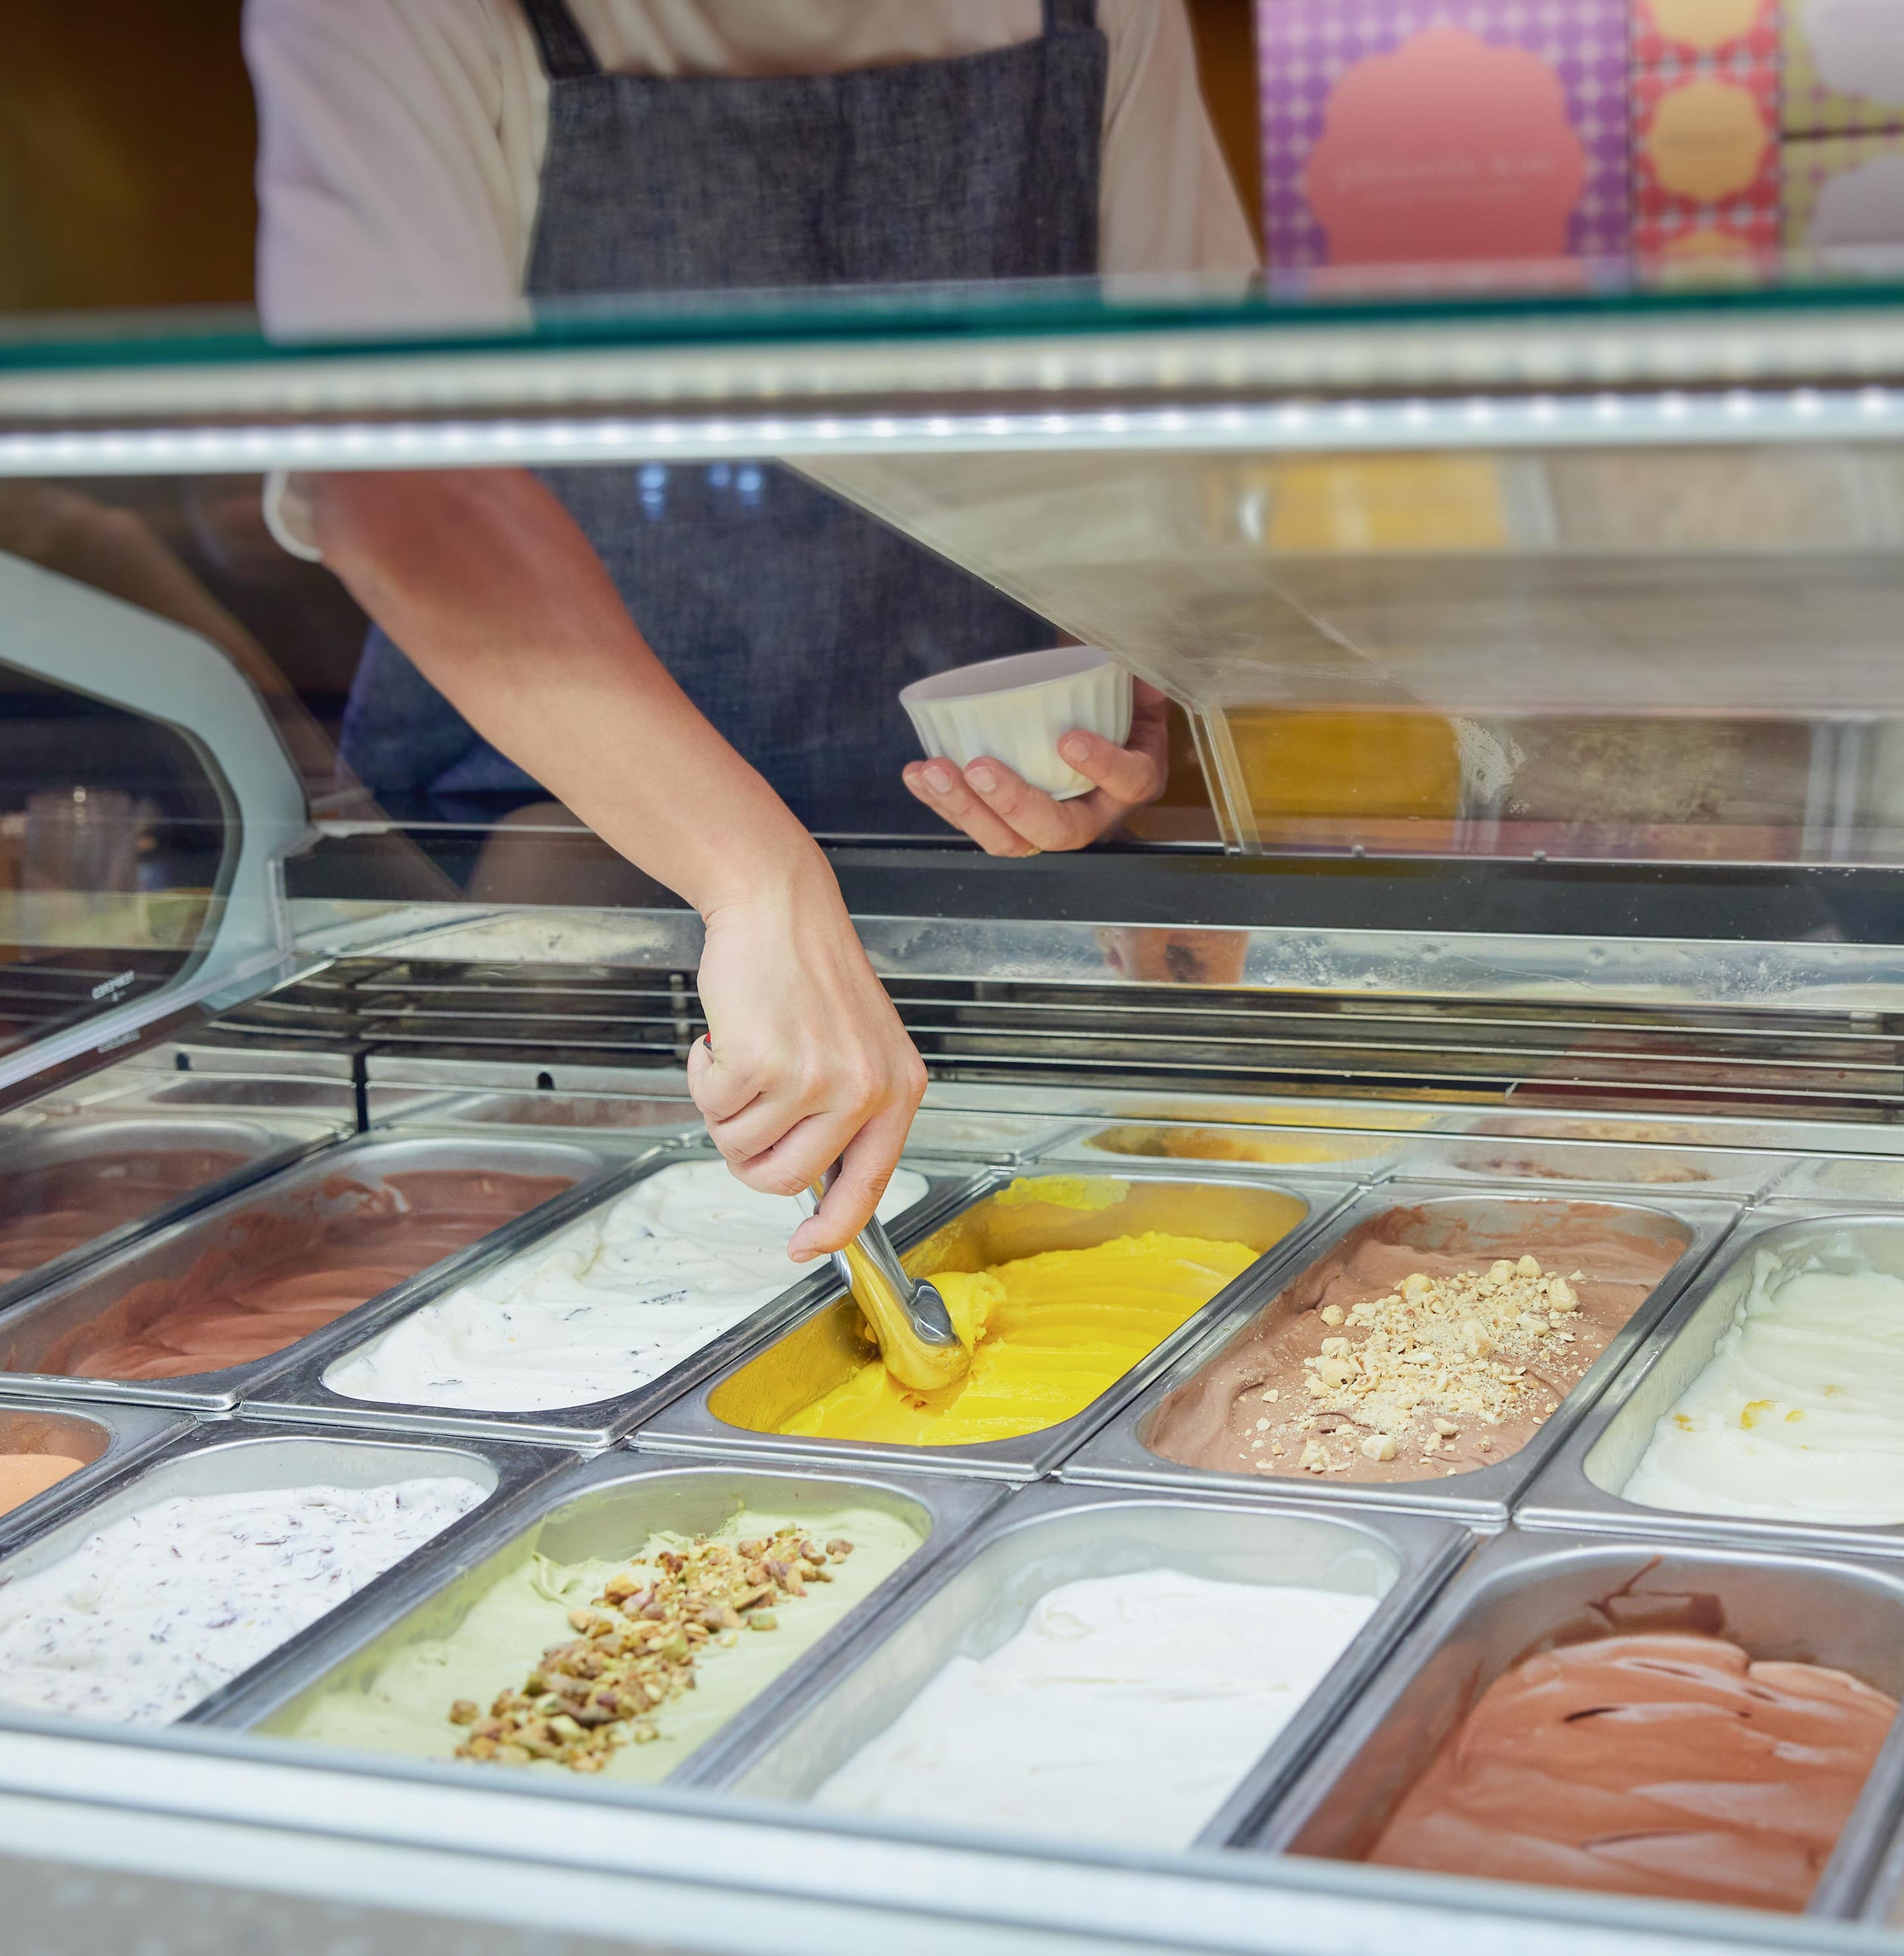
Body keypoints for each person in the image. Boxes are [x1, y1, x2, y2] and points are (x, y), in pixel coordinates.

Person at [244, 1, 1253, 1254]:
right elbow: (402, 489)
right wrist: (754, 881)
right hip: (537, 932)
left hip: (988, 905)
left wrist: (1122, 710)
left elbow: (1176, 431)